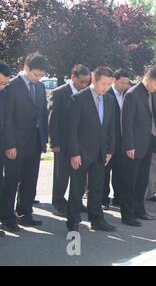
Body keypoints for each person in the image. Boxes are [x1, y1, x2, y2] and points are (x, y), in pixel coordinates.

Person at [0, 53, 49, 232]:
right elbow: (7, 118)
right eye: (36, 74)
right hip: (16, 143)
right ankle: (6, 216)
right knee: (11, 180)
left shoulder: (41, 87)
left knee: (30, 179)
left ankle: (25, 212)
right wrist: (9, 144)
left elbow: (42, 114)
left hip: (35, 141)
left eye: (41, 75)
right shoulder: (11, 86)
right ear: (26, 68)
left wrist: (44, 139)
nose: (38, 78)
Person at [66, 67, 116, 233]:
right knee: (77, 189)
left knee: (97, 187)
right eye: (104, 84)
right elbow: (71, 129)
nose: (106, 87)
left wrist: (109, 150)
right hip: (80, 153)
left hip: (101, 153)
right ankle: (73, 221)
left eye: (109, 84)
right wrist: (74, 153)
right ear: (93, 80)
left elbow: (111, 128)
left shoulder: (109, 100)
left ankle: (97, 219)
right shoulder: (78, 99)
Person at [121, 66, 156, 226]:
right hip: (134, 146)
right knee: (130, 182)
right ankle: (127, 215)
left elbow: (152, 115)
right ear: (147, 79)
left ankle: (140, 210)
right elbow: (126, 123)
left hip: (148, 143)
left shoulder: (152, 93)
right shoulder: (132, 94)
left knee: (142, 181)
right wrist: (129, 146)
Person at [49, 65, 91, 217]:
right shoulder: (59, 93)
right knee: (61, 175)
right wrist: (54, 143)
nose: (84, 85)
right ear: (73, 77)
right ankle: (59, 202)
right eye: (81, 81)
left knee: (79, 175)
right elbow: (53, 120)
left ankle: (77, 202)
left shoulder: (87, 93)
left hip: (80, 143)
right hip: (62, 143)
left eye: (87, 82)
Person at [102, 69, 131, 209]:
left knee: (121, 171)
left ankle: (118, 198)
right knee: (105, 172)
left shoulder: (128, 95)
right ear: (114, 80)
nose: (124, 86)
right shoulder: (106, 93)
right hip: (108, 140)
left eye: (127, 83)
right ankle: (103, 199)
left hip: (122, 141)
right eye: (121, 83)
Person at [0, 62, 12, 237]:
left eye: (5, 84)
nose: (2, 87)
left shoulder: (4, 96)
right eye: (0, 82)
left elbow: (7, 122)